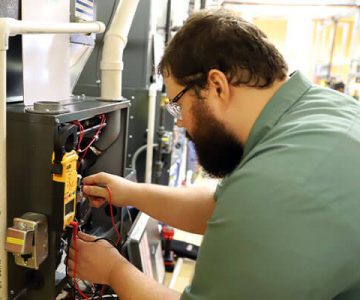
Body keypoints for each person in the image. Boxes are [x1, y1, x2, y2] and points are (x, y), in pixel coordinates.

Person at [67, 9, 360, 300]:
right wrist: (129, 193)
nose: (179, 121)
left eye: (178, 105)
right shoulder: (322, 109)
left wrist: (115, 271)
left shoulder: (276, 185)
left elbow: (255, 204)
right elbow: (219, 206)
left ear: (217, 86)